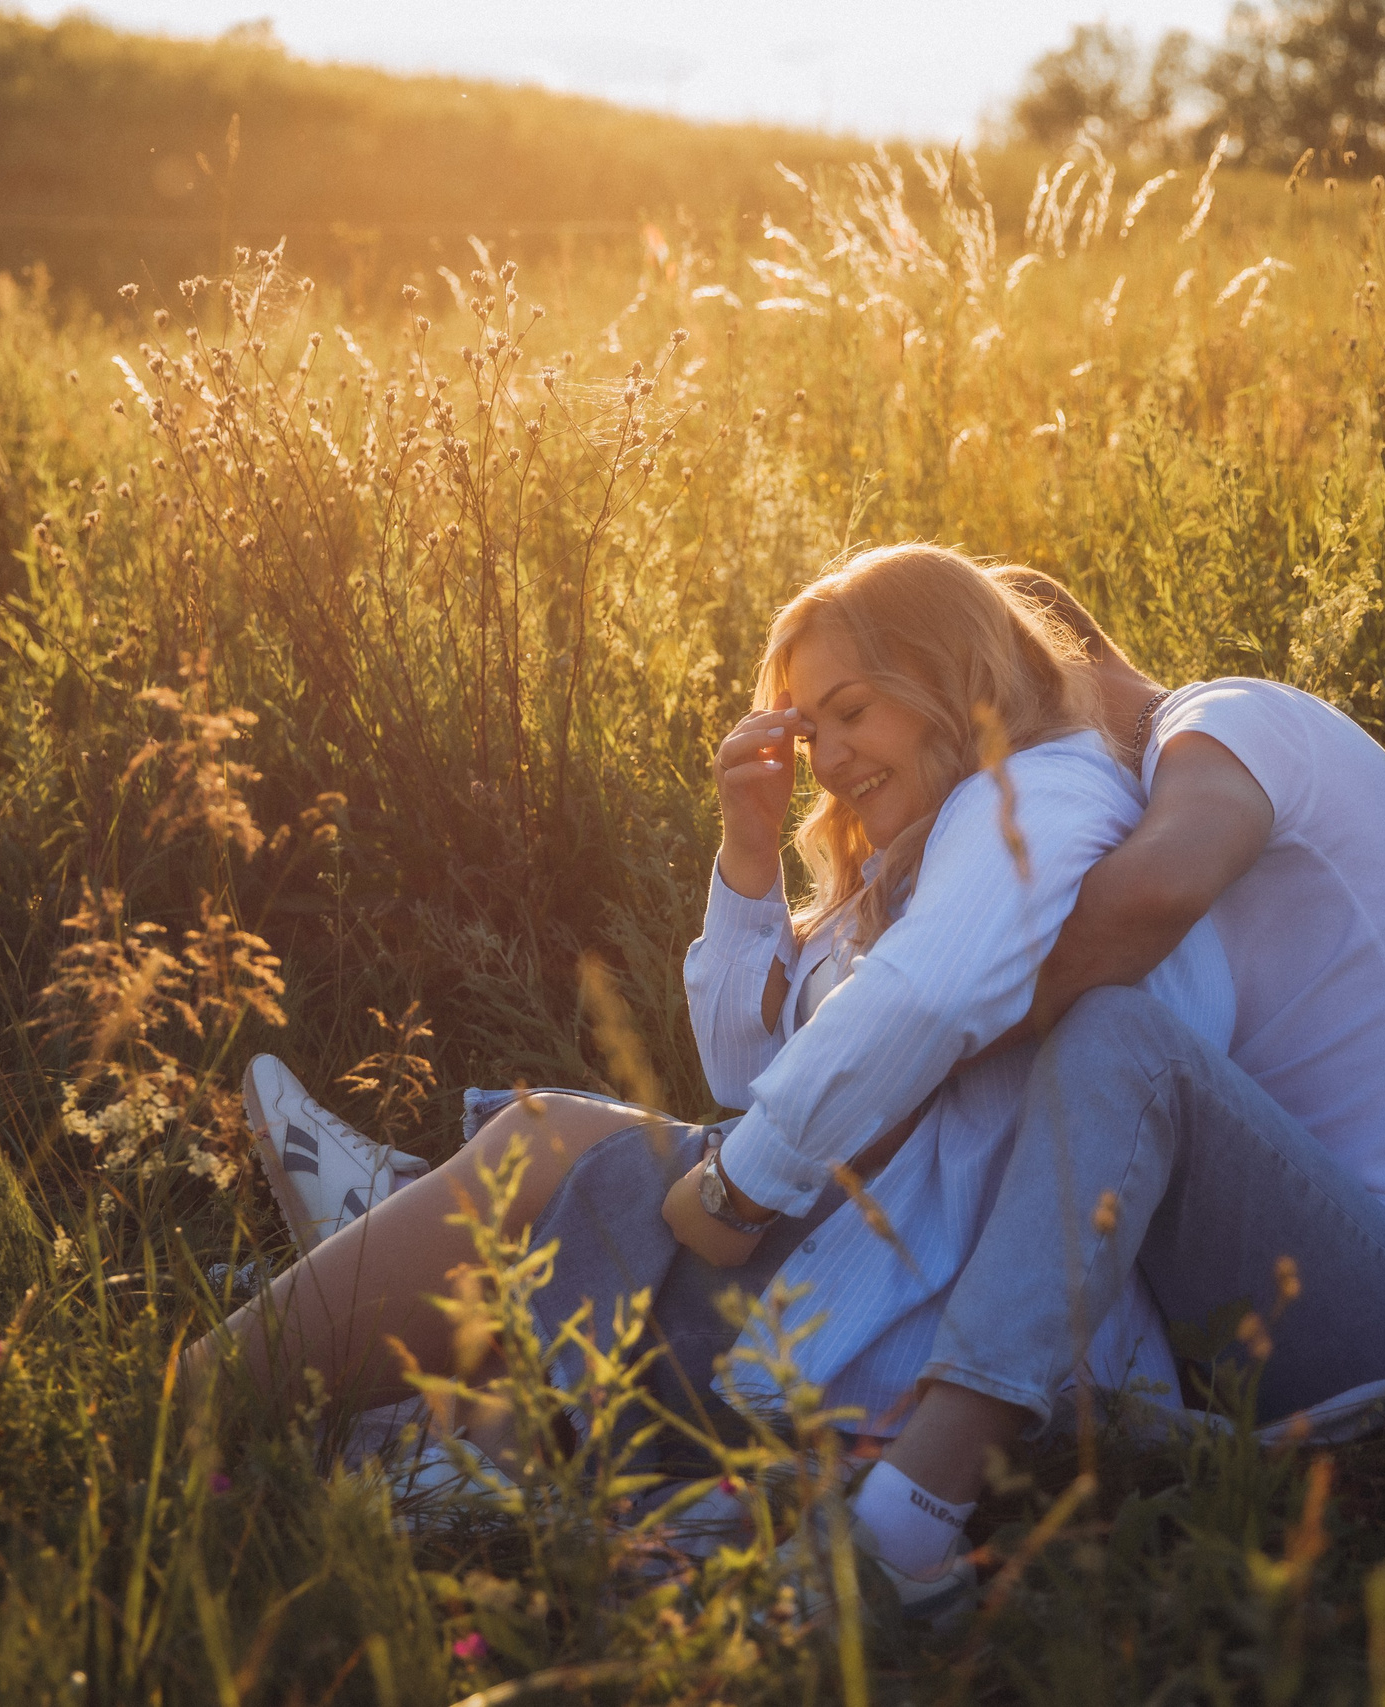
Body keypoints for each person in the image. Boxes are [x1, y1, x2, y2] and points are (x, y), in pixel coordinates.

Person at [189, 546, 1234, 1606]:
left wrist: (738, 1187)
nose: (826, 756)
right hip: (890, 1255)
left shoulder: (1043, 791)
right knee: (554, 1157)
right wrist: (747, 852)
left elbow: (921, 1001)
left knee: (546, 1149)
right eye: (809, 726)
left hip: (955, 1312)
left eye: (852, 711)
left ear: (948, 678)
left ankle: (192, 1408)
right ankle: (376, 1277)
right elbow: (746, 1067)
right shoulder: (936, 837)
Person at [824, 566, 1385, 1599]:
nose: (1002, 768)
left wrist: (944, 1030)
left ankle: (906, 1518)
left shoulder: (1227, 721)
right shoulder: (1138, 795)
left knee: (1121, 1037)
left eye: (998, 709)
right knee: (1074, 1063)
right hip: (1317, 1275)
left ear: (1053, 661)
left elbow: (1160, 886)